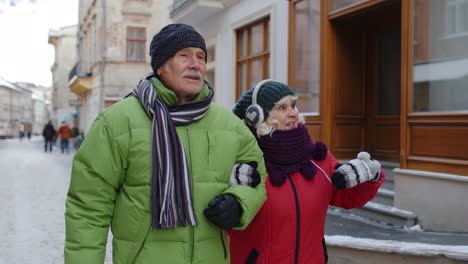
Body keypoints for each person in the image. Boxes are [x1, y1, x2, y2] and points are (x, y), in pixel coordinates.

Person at [64, 23, 267, 264]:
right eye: (184, 55)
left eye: (201, 57)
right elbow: (88, 209)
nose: (196, 64)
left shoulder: (229, 125)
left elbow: (256, 176)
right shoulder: (116, 123)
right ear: (161, 66)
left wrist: (239, 202)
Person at [229, 79, 386, 264]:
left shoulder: (318, 158)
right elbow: (224, 222)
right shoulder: (244, 165)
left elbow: (347, 196)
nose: (293, 113)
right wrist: (230, 189)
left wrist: (368, 176)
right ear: (257, 117)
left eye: (293, 106)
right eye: (282, 108)